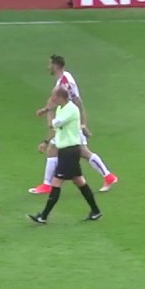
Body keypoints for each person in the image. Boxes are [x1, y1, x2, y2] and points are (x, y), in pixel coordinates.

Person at [30, 55, 119, 196]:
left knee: (58, 149)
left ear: (56, 65)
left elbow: (77, 101)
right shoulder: (63, 79)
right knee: (79, 151)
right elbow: (56, 101)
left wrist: (83, 124)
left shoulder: (65, 81)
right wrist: (45, 110)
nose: (48, 67)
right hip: (69, 121)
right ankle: (108, 177)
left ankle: (47, 185)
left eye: (50, 64)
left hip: (70, 123)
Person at [28, 87, 102, 224]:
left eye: (53, 96)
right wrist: (46, 141)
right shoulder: (61, 109)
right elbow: (56, 130)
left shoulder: (71, 110)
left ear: (60, 97)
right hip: (65, 151)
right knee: (79, 181)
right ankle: (96, 211)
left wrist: (47, 111)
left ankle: (43, 216)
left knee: (56, 182)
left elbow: (54, 124)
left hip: (70, 151)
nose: (52, 99)